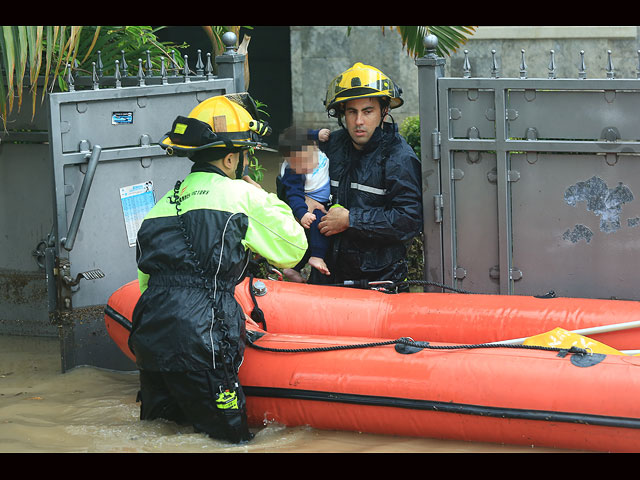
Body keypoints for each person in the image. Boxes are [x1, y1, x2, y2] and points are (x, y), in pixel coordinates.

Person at [128, 93, 308, 444]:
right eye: (244, 155)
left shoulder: (159, 207)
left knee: (160, 436)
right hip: (203, 338)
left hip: (150, 338)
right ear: (230, 158)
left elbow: (144, 282)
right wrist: (264, 196)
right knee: (231, 442)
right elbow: (293, 248)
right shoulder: (239, 197)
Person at [317, 62, 423, 290]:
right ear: (342, 113)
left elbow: (409, 219)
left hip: (379, 281)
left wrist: (351, 220)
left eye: (367, 111)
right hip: (327, 274)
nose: (358, 121)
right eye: (351, 112)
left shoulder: (399, 157)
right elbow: (298, 186)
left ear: (384, 111)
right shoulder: (331, 146)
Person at [276, 126, 332, 283]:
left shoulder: (319, 150)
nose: (304, 167)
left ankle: (293, 268)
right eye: (298, 165)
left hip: (326, 202)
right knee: (320, 225)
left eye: (307, 160)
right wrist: (302, 214)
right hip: (312, 210)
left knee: (309, 242)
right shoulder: (293, 174)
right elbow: (294, 196)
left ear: (314, 146)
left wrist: (318, 133)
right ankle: (317, 257)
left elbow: (304, 133)